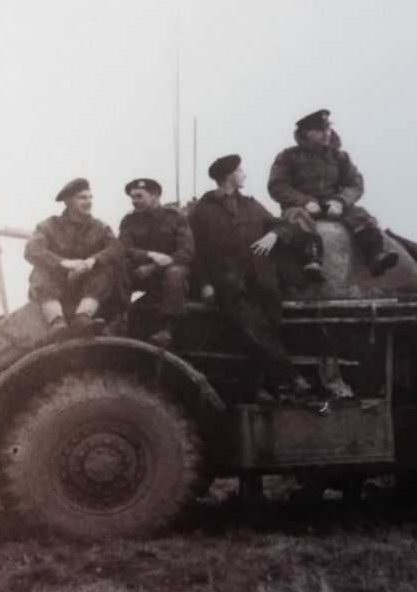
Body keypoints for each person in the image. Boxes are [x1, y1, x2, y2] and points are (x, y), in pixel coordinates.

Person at [190, 154, 312, 401]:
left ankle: (269, 389)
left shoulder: (252, 205)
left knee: (268, 331)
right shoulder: (203, 210)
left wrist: (273, 235)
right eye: (240, 170)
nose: (244, 174)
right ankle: (292, 379)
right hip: (230, 284)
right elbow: (198, 252)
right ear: (229, 176)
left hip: (264, 282)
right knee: (255, 329)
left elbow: (285, 226)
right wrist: (204, 284)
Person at [268, 108, 398, 276]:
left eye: (328, 128)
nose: (326, 133)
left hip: (332, 205)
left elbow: (355, 183)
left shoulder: (339, 156)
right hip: (301, 207)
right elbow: (277, 185)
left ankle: (376, 256)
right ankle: (311, 260)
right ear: (307, 132)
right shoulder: (287, 156)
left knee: (361, 215)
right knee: (297, 217)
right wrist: (304, 201)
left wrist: (340, 201)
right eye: (320, 130)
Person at [25, 177, 127, 334]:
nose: (88, 202)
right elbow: (32, 250)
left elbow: (117, 248)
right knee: (41, 270)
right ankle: (57, 322)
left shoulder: (99, 227)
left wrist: (93, 260)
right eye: (82, 197)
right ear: (68, 201)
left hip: (90, 290)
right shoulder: (49, 225)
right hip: (58, 289)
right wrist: (64, 263)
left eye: (90, 197)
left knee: (107, 268)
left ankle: (83, 317)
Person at [118, 178, 194, 347]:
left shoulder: (176, 217)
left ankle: (165, 329)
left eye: (139, 196)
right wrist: (150, 255)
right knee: (118, 268)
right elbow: (124, 249)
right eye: (132, 197)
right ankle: (118, 319)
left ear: (155, 196)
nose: (134, 201)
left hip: (169, 274)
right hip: (142, 273)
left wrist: (154, 267)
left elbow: (186, 252)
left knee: (176, 273)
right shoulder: (129, 221)